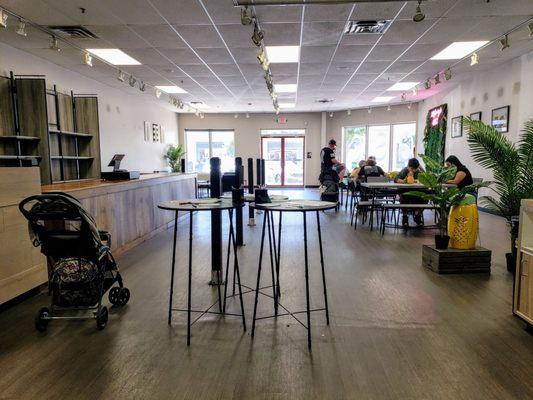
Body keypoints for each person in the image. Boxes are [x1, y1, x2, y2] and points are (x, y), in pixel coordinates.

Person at [395, 158, 426, 227]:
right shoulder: (405, 171)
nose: (413, 170)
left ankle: (418, 216)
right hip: (406, 193)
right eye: (411, 168)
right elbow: (396, 179)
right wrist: (403, 181)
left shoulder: (418, 171)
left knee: (426, 198)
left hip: (417, 193)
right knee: (403, 198)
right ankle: (405, 217)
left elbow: (426, 178)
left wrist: (421, 169)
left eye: (415, 168)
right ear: (408, 166)